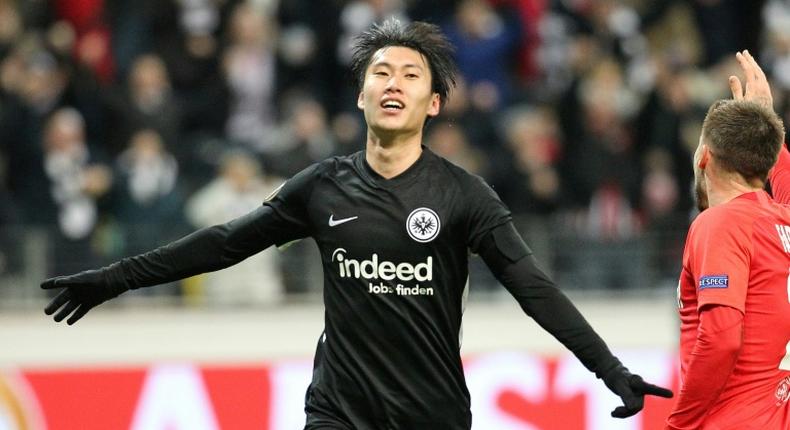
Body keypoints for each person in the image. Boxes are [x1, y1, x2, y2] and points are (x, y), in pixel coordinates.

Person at [41, 19, 672, 429]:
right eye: (381, 73)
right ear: (361, 95)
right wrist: (114, 279)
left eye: (410, 75)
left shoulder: (463, 195)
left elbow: (535, 289)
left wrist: (609, 370)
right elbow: (225, 244)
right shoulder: (322, 186)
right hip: (338, 412)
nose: (393, 82)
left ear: (435, 104)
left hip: (431, 415)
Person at [666, 50, 790, 429]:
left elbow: (721, 339)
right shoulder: (780, 220)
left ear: (704, 157)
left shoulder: (719, 224)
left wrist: (679, 424)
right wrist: (766, 124)